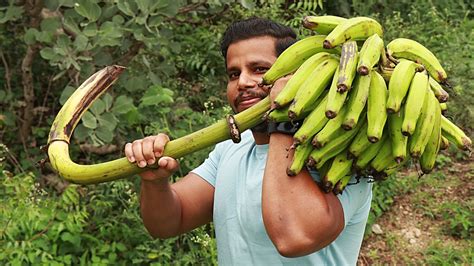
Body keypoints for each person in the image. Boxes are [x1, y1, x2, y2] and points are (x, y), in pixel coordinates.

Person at [124, 17, 372, 265]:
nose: (242, 82)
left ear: (295, 75)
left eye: (260, 69)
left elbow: (293, 239)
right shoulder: (230, 151)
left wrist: (284, 119)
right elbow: (169, 222)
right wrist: (155, 183)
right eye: (234, 73)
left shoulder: (342, 156)